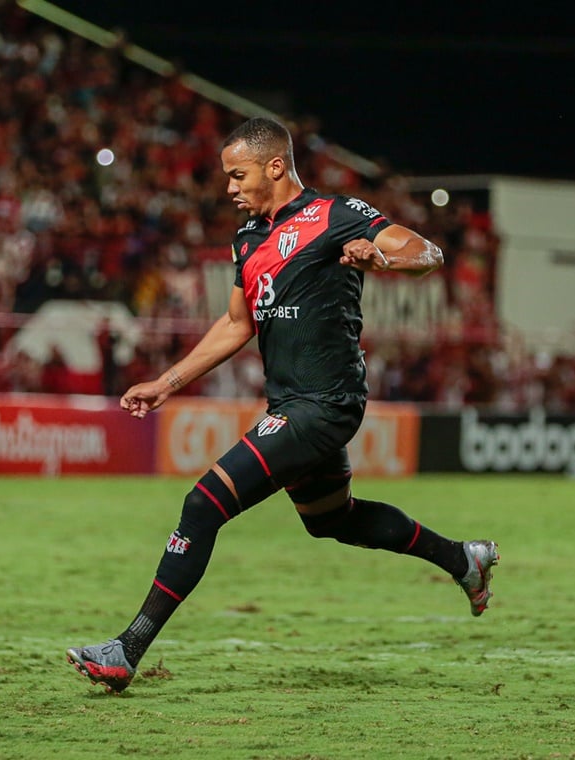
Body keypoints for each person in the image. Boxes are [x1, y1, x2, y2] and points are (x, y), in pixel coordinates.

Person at [66, 117, 499, 693]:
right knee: (333, 521)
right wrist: (167, 382)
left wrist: (383, 261)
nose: (229, 187)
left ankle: (127, 649)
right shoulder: (247, 239)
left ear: (275, 166)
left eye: (237, 174)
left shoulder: (336, 214)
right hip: (294, 403)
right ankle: (464, 560)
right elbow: (236, 323)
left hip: (325, 403)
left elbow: (428, 253)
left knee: (202, 504)